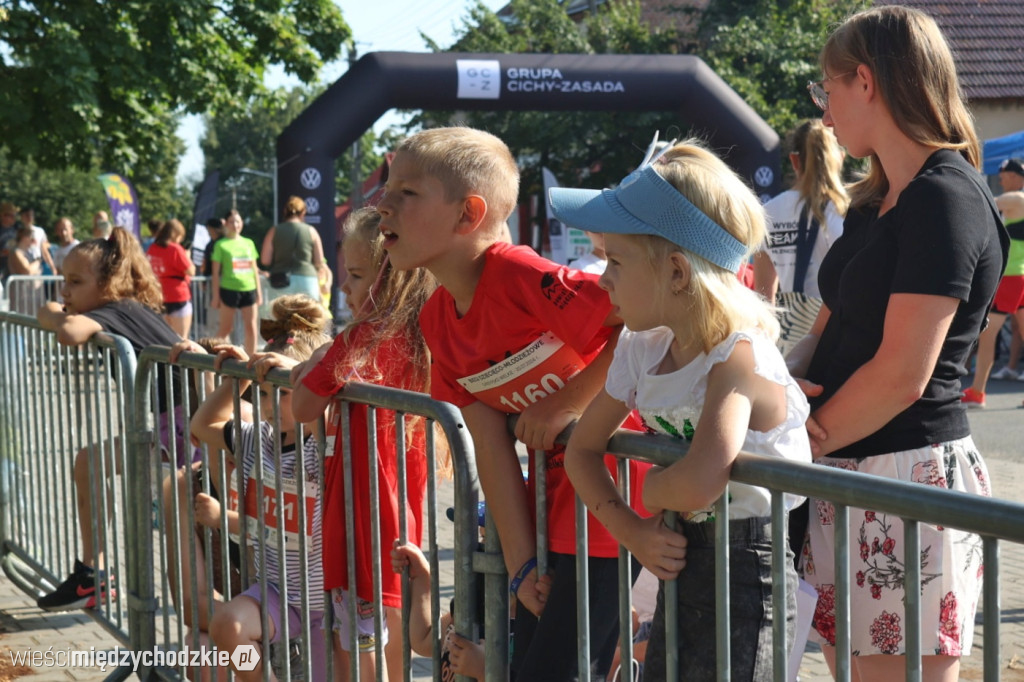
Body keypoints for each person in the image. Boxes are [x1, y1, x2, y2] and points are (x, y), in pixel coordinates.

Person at [378, 126, 650, 681]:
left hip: (617, 506)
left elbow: (642, 321)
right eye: (387, 187)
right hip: (553, 520)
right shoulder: (435, 321)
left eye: (406, 192)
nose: (381, 203)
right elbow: (491, 447)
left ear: (467, 214)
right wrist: (524, 564)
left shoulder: (521, 273)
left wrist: (569, 402)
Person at [792, 7, 1007, 680]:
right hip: (842, 472)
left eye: (824, 89)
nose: (823, 114)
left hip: (900, 477)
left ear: (866, 81)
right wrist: (775, 389)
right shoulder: (875, 199)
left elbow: (903, 374)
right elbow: (826, 323)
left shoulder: (946, 197)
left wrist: (802, 438)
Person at [551, 139, 811, 680]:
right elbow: (582, 449)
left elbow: (697, 482)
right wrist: (632, 531)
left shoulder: (737, 354)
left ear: (675, 272)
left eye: (616, 261)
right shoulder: (642, 348)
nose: (602, 279)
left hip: (747, 573)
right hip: (678, 556)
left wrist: (649, 492)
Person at [290, 207, 437, 682]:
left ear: (391, 279)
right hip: (401, 510)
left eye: (355, 276)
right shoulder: (422, 338)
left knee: (355, 633)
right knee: (392, 616)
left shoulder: (360, 338)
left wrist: (316, 356)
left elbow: (303, 405)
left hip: (359, 517)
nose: (345, 289)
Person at [35, 227, 196, 611]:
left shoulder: (113, 311)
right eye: (63, 281)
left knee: (196, 531)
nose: (65, 292)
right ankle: (94, 575)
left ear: (108, 283)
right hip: (172, 424)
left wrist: (58, 315)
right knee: (89, 463)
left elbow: (70, 333)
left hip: (181, 428)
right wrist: (57, 311)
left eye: (75, 282)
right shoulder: (123, 308)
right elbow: (55, 315)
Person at [191, 295, 331, 682]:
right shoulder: (259, 439)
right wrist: (235, 379)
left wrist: (301, 373)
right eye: (263, 393)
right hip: (277, 593)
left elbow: (336, 406)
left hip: (329, 602)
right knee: (227, 628)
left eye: (281, 393)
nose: (268, 405)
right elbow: (202, 427)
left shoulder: (323, 444)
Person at [754, 120, 849, 355]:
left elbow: (765, 298)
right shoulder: (849, 211)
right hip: (838, 337)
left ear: (795, 160)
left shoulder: (768, 213)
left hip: (790, 339)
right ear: (840, 158)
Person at [962, 157, 1024, 404]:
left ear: (1016, 175)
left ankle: (977, 392)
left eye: (1004, 174)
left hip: (1011, 276)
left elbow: (982, 202)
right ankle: (977, 391)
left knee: (988, 335)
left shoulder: (1016, 199)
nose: (1000, 178)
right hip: (1018, 275)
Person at [390, 540, 486, 681]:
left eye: (494, 540)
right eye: (482, 537)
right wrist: (422, 577)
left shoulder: (524, 631)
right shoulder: (472, 603)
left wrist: (484, 671)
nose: (482, 548)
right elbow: (425, 640)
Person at [260, 195, 327, 308]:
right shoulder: (311, 231)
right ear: (303, 212)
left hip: (280, 281)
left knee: (278, 321)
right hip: (308, 281)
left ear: (285, 211)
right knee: (308, 321)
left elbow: (265, 260)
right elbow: (319, 261)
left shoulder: (274, 231)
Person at [210, 210, 261, 354]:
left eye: (238, 221)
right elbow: (215, 273)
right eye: (232, 222)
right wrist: (216, 296)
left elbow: (254, 269)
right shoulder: (221, 245)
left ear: (242, 223)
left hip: (249, 289)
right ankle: (211, 360)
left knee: (251, 327)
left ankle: (251, 363)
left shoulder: (249, 243)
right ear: (226, 223)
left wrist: (259, 292)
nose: (235, 225)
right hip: (229, 289)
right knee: (226, 328)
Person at [147, 218, 196, 339]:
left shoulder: (152, 248)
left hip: (159, 296)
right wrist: (187, 256)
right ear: (175, 234)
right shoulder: (175, 249)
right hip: (178, 295)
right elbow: (191, 271)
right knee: (182, 339)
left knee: (164, 339)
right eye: (180, 237)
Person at [8, 226, 43, 314]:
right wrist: (38, 260)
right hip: (22, 294)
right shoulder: (16, 252)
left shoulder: (31, 252)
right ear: (24, 237)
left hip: (33, 294)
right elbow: (27, 271)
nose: (33, 240)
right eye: (31, 237)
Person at [19, 207, 57, 276]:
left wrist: (52, 267)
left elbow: (44, 250)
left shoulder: (39, 231)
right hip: (23, 263)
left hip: (37, 264)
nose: (30, 217)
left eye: (31, 215)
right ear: (22, 217)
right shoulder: (17, 232)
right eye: (27, 215)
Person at [0, 201, 19, 280]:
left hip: (15, 268)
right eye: (11, 215)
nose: (14, 218)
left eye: (15, 215)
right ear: (3, 215)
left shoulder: (17, 229)